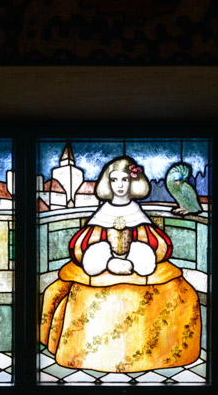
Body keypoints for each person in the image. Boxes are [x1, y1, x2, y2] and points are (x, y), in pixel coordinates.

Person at [40, 156, 201, 373]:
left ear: (133, 182)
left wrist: (135, 259)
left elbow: (160, 246)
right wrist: (108, 261)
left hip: (137, 266)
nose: (120, 185)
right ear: (108, 183)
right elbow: (80, 247)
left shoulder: (137, 214)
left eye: (124, 180)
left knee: (177, 290)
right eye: (114, 180)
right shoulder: (101, 215)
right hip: (102, 266)